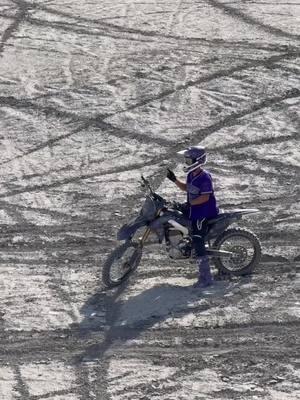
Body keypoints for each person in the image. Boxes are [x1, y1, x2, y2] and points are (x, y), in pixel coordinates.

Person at [167, 146, 219, 288]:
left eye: (189, 160)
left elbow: (205, 197)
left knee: (197, 239)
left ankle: (206, 278)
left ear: (197, 160)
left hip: (203, 212)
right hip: (194, 209)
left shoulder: (205, 177)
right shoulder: (191, 175)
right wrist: (174, 179)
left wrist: (190, 203)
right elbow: (187, 188)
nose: (187, 162)